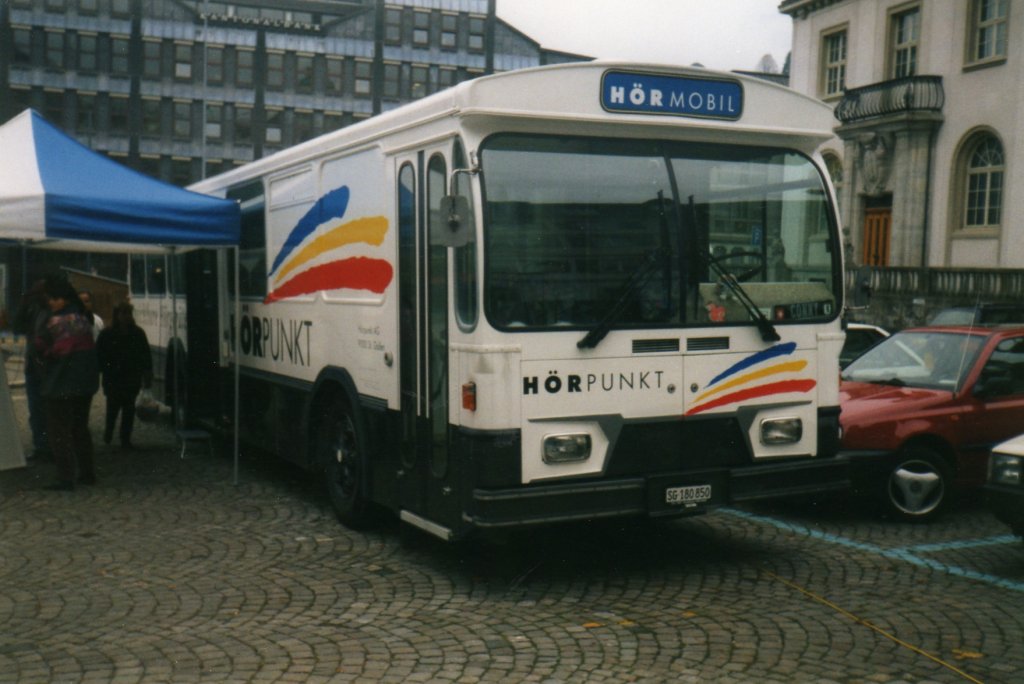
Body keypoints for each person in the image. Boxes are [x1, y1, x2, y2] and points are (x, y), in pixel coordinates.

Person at [34, 275, 99, 490]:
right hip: (84, 383)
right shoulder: (83, 317)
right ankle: (87, 472)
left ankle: (65, 477)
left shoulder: (55, 321)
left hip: (59, 383)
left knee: (58, 432)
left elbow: (41, 347)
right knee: (80, 428)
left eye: (53, 299)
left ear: (62, 298)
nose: (50, 303)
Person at [96, 301, 152, 450]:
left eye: (129, 314)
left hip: (131, 377)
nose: (127, 317)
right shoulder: (107, 334)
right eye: (124, 313)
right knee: (112, 408)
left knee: (128, 410)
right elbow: (99, 355)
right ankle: (109, 432)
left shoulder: (138, 333)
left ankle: (125, 439)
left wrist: (146, 375)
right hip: (113, 378)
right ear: (117, 315)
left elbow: (145, 355)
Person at [13, 280, 51, 460]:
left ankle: (52, 448)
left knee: (49, 410)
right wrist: (25, 301)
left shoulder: (54, 312)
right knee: (35, 410)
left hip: (49, 368)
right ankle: (41, 447)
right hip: (32, 367)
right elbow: (17, 327)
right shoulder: (33, 309)